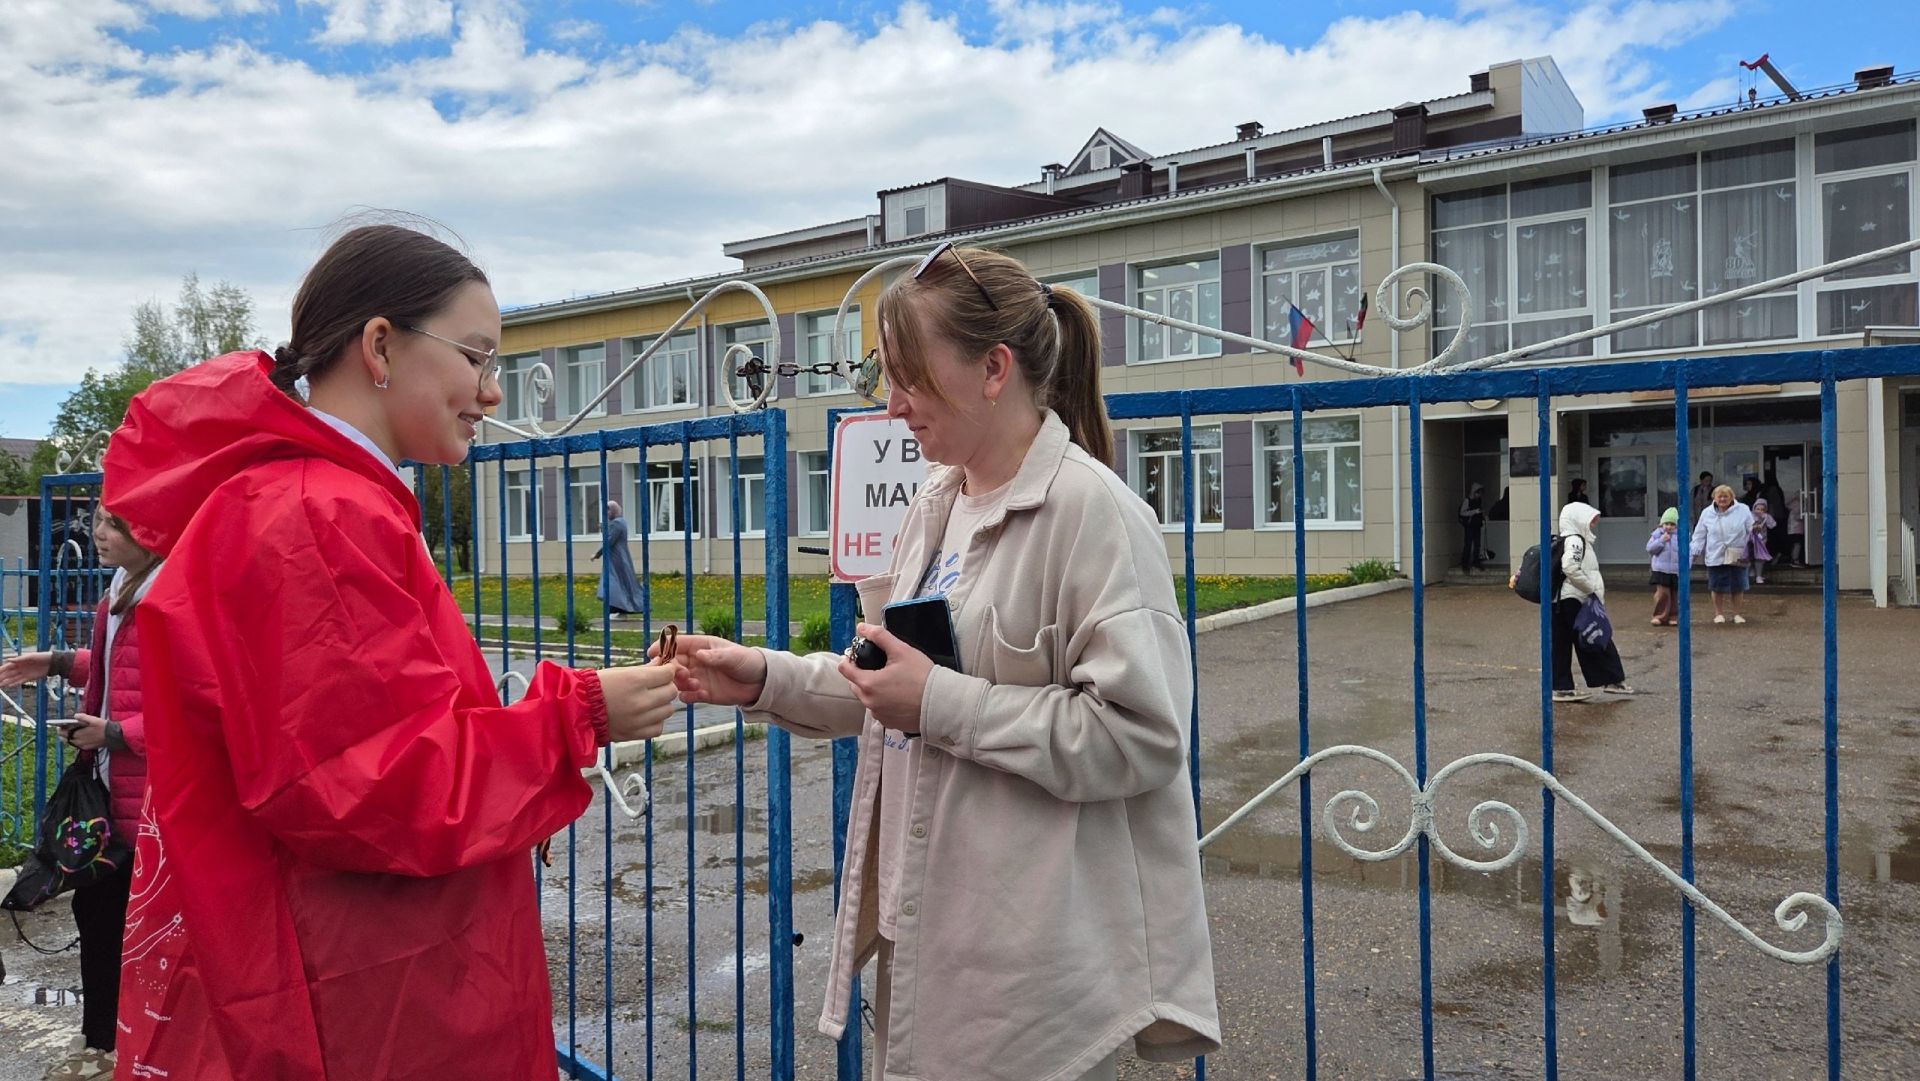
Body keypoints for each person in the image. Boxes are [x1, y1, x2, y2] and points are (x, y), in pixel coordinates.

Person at [98, 223, 685, 1080]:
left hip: (354, 973)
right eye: (478, 358)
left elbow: (376, 739)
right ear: (380, 345)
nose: (491, 393)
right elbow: (369, 783)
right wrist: (579, 714)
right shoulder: (317, 515)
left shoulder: (322, 500)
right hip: (357, 1005)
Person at [665, 245, 1220, 1079]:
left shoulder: (1095, 514)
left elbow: (1141, 736)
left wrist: (943, 703)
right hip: (930, 940)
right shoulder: (937, 502)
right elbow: (890, 683)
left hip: (1031, 986)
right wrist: (765, 677)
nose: (893, 406)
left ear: (994, 369)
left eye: (910, 377)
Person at [0, 512, 160, 1080]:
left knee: (144, 929)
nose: (98, 534)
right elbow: (122, 672)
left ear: (153, 532)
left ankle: (145, 1040)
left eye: (116, 525)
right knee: (97, 918)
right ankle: (102, 1041)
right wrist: (56, 661)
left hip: (153, 806)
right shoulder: (118, 594)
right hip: (109, 793)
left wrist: (115, 733)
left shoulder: (172, 599)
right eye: (97, 521)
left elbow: (199, 704)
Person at [1552, 500, 1633, 703]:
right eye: (1590, 520)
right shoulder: (1576, 541)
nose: (1593, 524)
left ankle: (1560, 687)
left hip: (1562, 600)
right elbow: (1570, 567)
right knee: (1596, 637)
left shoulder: (1570, 540)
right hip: (1575, 599)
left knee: (1562, 644)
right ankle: (1613, 680)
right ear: (1578, 519)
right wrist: (1591, 589)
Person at [1690, 483, 1757, 624]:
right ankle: (1718, 614)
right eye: (1719, 496)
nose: (1722, 499)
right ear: (1714, 497)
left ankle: (1737, 614)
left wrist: (1757, 537)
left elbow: (1751, 529)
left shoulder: (1743, 510)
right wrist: (1694, 552)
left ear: (1732, 497)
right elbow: (1699, 534)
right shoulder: (1707, 513)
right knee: (1716, 585)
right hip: (1715, 553)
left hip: (1737, 552)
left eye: (1725, 496)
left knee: (1738, 585)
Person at [591, 499, 644, 617]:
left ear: (614, 510)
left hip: (616, 558)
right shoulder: (621, 522)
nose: (607, 514)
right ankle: (621, 609)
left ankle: (615, 609)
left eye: (609, 511)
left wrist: (597, 554)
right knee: (620, 583)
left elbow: (609, 541)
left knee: (613, 583)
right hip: (620, 557)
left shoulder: (616, 524)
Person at [1646, 507, 1682, 626]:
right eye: (1666, 524)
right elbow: (1650, 549)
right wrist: (1661, 541)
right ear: (1662, 524)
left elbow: (1687, 551)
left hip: (1676, 571)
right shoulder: (1657, 535)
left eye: (1672, 524)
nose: (1669, 527)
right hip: (1661, 570)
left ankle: (1673, 616)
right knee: (1662, 594)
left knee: (1675, 594)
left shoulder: (1681, 536)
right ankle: (1659, 616)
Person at [1458, 482, 1487, 572]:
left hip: (1477, 525)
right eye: (1478, 493)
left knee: (1477, 545)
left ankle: (1476, 561)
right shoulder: (1467, 501)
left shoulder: (1479, 500)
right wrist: (1475, 512)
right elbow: (1462, 512)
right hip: (1469, 526)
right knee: (1468, 545)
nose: (1479, 495)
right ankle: (1465, 563)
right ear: (1474, 492)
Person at [1749, 497, 1777, 585]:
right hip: (1750, 541)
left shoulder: (1766, 516)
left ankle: (1758, 576)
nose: (1759, 511)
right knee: (1749, 557)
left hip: (1761, 541)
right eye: (1757, 509)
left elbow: (1773, 525)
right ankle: (1750, 573)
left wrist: (1766, 518)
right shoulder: (1749, 515)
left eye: (1762, 509)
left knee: (1760, 558)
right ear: (1754, 508)